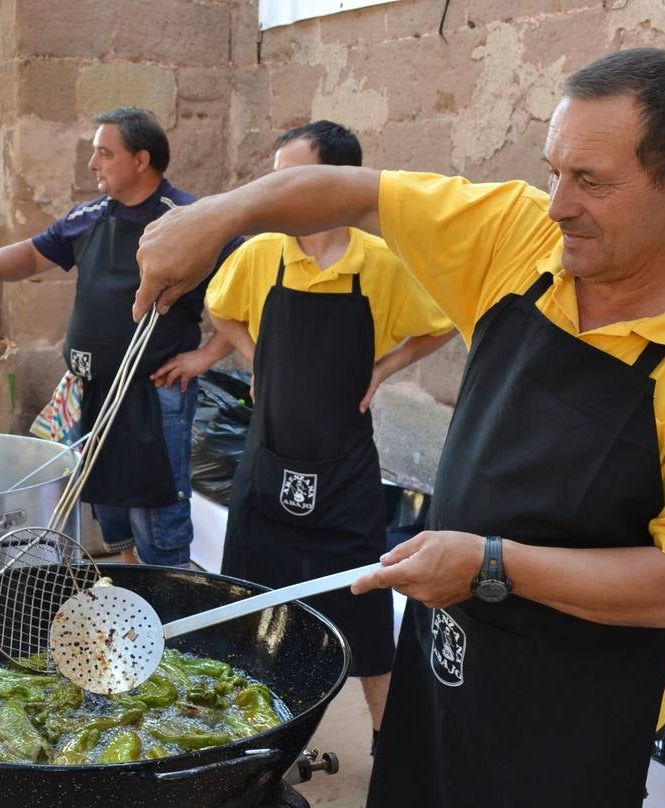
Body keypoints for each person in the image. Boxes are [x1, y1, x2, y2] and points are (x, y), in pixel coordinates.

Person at [134, 48, 665, 808]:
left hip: (572, 726)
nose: (558, 206)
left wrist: (490, 564)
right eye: (552, 171)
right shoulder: (520, 237)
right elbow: (353, 192)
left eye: (591, 181)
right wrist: (218, 217)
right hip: (447, 671)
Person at [154, 121, 454, 751]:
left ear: (334, 187)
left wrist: (383, 368)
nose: (275, 193)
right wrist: (254, 354)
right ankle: (252, 740)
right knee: (249, 608)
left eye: (291, 179)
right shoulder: (262, 254)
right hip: (266, 468)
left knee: (369, 615)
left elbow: (440, 324)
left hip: (344, 472)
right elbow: (220, 310)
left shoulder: (381, 263)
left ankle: (391, 748)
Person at [0, 107, 240, 566]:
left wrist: (206, 356)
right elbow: (31, 255)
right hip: (94, 393)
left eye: (104, 153)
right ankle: (127, 600)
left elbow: (247, 284)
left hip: (154, 395)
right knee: (115, 513)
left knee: (157, 521)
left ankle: (171, 614)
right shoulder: (88, 216)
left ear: (141, 160)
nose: (92, 163)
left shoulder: (190, 219)